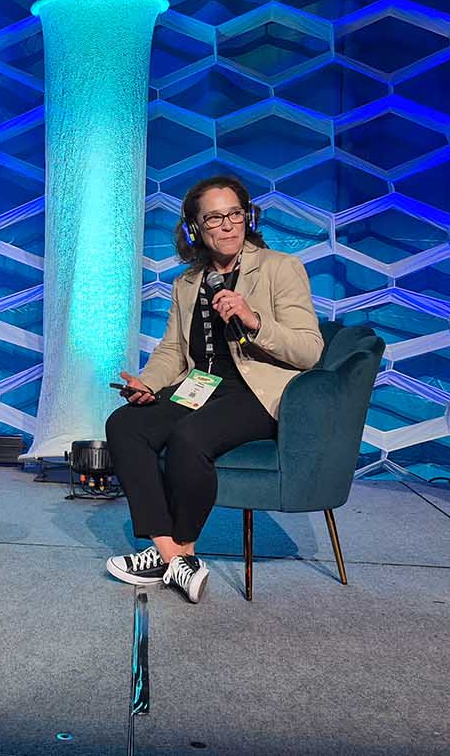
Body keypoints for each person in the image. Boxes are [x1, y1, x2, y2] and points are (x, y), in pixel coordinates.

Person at [106, 175, 322, 602]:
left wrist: (254, 319)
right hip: (200, 385)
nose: (228, 225)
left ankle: (178, 549)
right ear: (194, 228)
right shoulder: (187, 283)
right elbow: (173, 349)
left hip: (256, 391)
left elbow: (309, 350)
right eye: (215, 218)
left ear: (248, 217)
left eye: (236, 214)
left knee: (189, 439)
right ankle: (172, 556)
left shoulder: (280, 268)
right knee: (125, 424)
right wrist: (148, 382)